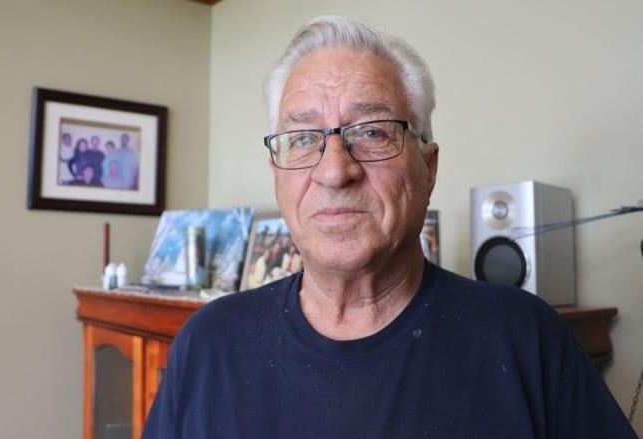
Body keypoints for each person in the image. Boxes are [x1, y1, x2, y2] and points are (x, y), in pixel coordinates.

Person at [142, 16, 635, 438]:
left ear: (430, 168)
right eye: (302, 138)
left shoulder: (527, 338)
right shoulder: (209, 344)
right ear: (278, 173)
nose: (334, 170)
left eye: (372, 132)